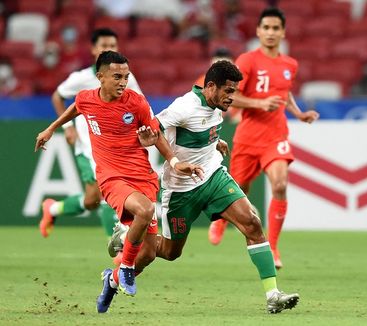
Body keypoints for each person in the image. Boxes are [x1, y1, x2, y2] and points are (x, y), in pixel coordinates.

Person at [108, 60, 300, 314]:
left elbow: (202, 129)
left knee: (252, 222)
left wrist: (216, 140)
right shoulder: (185, 106)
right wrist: (163, 152)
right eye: (229, 91)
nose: (233, 97)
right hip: (180, 190)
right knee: (169, 251)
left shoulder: (216, 104)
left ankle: (273, 295)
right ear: (211, 86)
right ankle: (126, 236)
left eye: (235, 91)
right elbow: (155, 127)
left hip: (213, 176)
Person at [35, 51, 203, 312]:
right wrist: (52, 128)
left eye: (126, 76)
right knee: (145, 210)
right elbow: (75, 109)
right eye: (117, 76)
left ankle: (111, 281)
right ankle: (124, 268)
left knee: (148, 254)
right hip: (111, 176)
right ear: (100, 77)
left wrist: (172, 161)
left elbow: (155, 134)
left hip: (142, 177)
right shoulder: (87, 98)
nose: (123, 81)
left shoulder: (135, 103)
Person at [207, 7, 319, 269]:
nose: (270, 33)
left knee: (279, 184)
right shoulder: (247, 61)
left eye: (275, 28)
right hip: (248, 136)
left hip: (276, 134)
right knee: (239, 189)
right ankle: (222, 219)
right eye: (265, 28)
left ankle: (275, 248)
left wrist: (298, 113)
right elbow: (231, 97)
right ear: (258, 31)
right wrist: (260, 104)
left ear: (282, 32)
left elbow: (285, 92)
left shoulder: (290, 64)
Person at [40, 28, 143, 241]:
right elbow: (58, 97)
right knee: (105, 195)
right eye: (104, 45)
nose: (108, 49)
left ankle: (52, 209)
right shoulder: (80, 79)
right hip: (88, 145)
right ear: (94, 49)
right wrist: (67, 128)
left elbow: (139, 105)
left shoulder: (126, 79)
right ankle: (116, 248)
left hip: (114, 146)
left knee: (91, 200)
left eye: (113, 45)